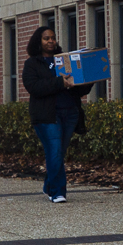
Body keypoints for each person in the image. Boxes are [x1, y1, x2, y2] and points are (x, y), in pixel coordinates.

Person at [22, 26, 91, 203]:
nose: (51, 41)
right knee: (54, 151)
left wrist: (88, 79)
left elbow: (78, 88)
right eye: (46, 38)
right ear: (39, 41)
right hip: (47, 116)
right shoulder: (32, 64)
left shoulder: (64, 60)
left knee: (58, 153)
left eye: (53, 38)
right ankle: (58, 192)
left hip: (70, 113)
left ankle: (49, 185)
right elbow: (34, 87)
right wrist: (60, 82)